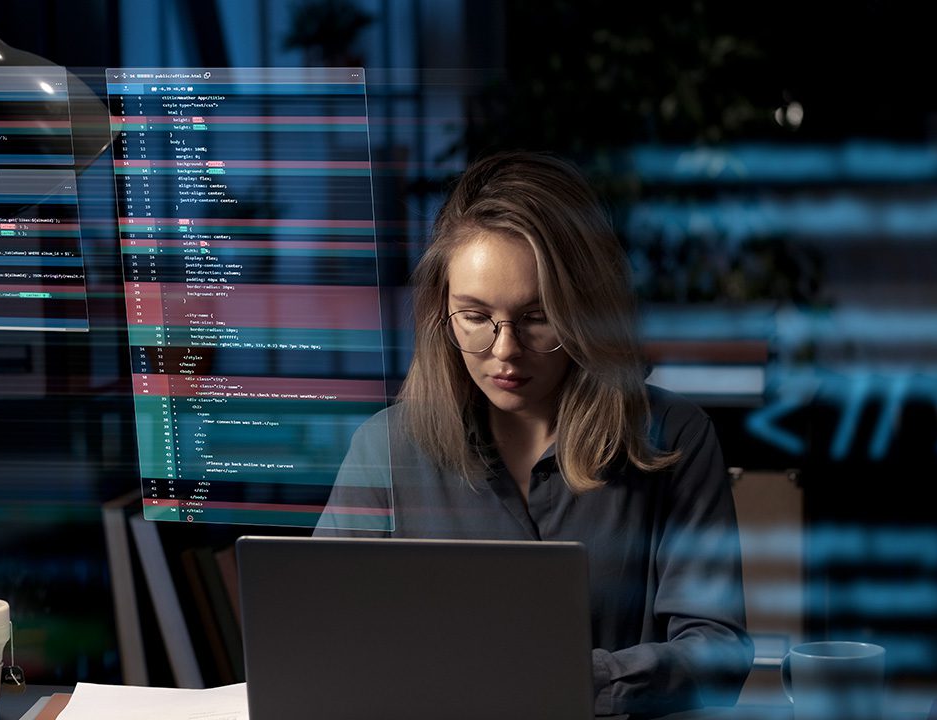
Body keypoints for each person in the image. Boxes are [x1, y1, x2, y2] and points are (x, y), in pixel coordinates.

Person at [314, 151, 754, 716]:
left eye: (537, 317)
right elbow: (322, 640)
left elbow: (717, 652)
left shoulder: (672, 437)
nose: (504, 351)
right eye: (474, 316)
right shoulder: (386, 449)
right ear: (439, 312)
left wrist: (570, 677)